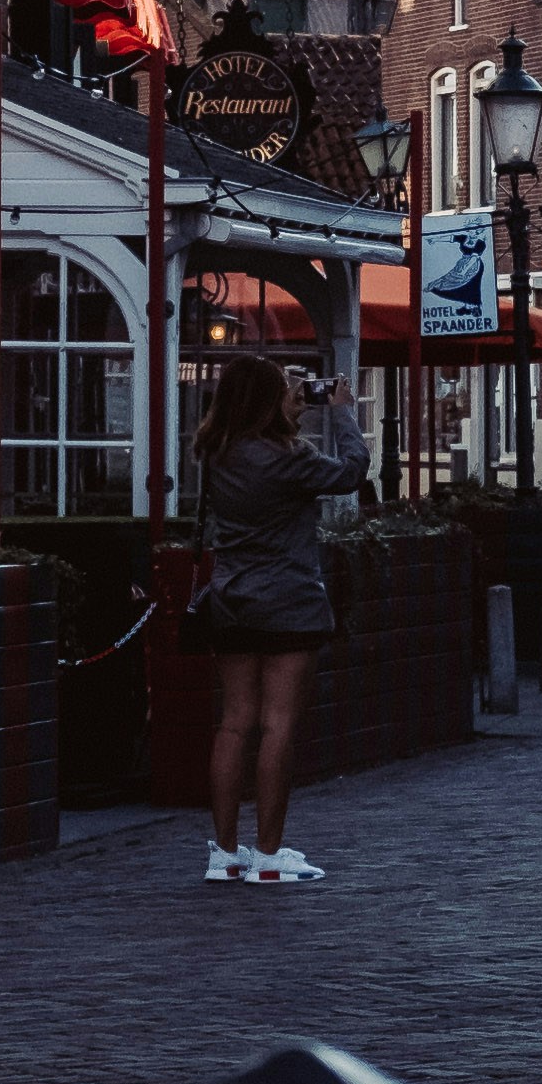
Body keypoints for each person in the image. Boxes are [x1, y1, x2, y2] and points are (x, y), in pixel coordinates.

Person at [191, 346, 365, 877]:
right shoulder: (289, 461)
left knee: (234, 724)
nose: (297, 399)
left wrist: (300, 409)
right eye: (289, 392)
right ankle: (268, 856)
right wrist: (340, 411)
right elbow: (352, 472)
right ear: (267, 402)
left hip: (231, 599)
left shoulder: (215, 453)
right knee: (279, 726)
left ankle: (224, 854)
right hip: (288, 600)